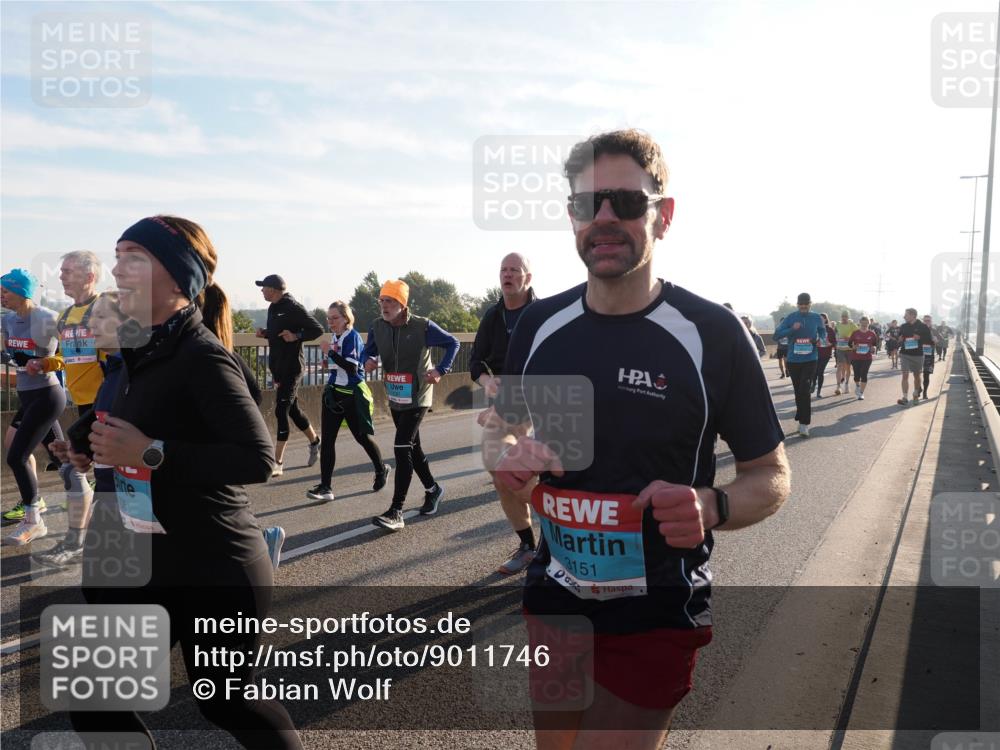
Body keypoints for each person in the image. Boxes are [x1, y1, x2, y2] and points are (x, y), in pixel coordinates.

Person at [484, 129, 790, 750]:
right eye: (585, 204)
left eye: (624, 203)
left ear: (663, 215)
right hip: (556, 596)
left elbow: (771, 474)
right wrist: (512, 461)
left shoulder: (712, 332)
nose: (603, 219)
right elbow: (504, 434)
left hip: (656, 609)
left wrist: (713, 505)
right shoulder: (541, 325)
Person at [66, 215, 302, 748]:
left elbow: (256, 458)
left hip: (210, 563)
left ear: (175, 279)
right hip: (138, 557)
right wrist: (85, 445)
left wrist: (149, 453)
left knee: (225, 700)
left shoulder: (202, 357)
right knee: (95, 704)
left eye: (133, 258)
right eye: (117, 255)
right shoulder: (133, 354)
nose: (117, 270)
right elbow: (120, 419)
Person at [361, 279, 459, 531]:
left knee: (401, 446)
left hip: (419, 394)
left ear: (402, 304)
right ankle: (433, 489)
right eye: (382, 300)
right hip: (396, 394)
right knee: (413, 448)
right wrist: (368, 359)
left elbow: (453, 343)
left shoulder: (422, 326)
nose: (384, 306)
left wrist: (440, 370)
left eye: (390, 301)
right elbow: (368, 351)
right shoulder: (377, 327)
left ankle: (396, 511)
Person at [27, 252, 106, 567]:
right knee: (94, 474)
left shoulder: (104, 311)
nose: (61, 276)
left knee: (76, 471)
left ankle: (76, 542)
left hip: (105, 405)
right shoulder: (66, 316)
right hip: (82, 403)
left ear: (89, 276)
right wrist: (47, 362)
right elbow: (70, 357)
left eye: (67, 271)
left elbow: (118, 359)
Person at [470, 253, 539, 574]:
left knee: (551, 472)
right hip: (509, 405)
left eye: (514, 270)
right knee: (500, 469)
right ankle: (529, 545)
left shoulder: (541, 315)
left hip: (547, 401)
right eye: (503, 270)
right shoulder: (493, 316)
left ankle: (561, 526)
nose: (507, 275)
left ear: (528, 277)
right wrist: (488, 382)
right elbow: (475, 362)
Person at [1, 269, 66, 544]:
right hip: (28, 397)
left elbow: (67, 354)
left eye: (5, 290)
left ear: (22, 292)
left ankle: (33, 519)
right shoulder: (9, 320)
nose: (1, 295)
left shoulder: (45, 318)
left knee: (16, 456)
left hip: (47, 395)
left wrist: (44, 363)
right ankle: (85, 494)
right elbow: (8, 353)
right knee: (61, 457)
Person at [306, 300, 388, 502]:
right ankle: (326, 487)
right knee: (327, 442)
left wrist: (330, 353)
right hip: (334, 393)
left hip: (352, 395)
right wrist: (328, 362)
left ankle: (381, 468)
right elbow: (339, 365)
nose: (330, 322)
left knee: (362, 437)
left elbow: (352, 368)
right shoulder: (335, 336)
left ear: (346, 318)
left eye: (335, 318)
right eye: (328, 318)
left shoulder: (353, 337)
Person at [254, 274, 323, 477]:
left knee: (281, 409)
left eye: (264, 287)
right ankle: (315, 441)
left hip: (293, 368)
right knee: (293, 410)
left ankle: (278, 462)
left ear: (274, 289)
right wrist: (265, 333)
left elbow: (317, 329)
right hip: (278, 368)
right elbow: (278, 332)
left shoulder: (293, 307)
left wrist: (297, 336)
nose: (261, 290)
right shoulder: (273, 308)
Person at [774, 293, 826, 437]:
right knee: (798, 391)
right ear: (797, 304)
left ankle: (804, 424)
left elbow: (823, 332)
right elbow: (776, 335)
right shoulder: (791, 317)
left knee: (804, 388)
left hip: (811, 359)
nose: (803, 306)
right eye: (800, 304)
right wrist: (792, 329)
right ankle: (800, 415)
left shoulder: (816, 318)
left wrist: (819, 339)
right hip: (793, 360)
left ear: (810, 304)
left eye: (806, 304)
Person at [896, 307, 933, 406]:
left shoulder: (922, 326)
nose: (904, 316)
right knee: (905, 375)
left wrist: (920, 338)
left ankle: (916, 394)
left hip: (917, 355)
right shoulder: (903, 326)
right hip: (905, 354)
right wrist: (899, 339)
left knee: (917, 376)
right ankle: (904, 397)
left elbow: (929, 340)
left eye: (906, 315)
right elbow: (899, 338)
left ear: (913, 316)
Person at [848, 316, 878, 400]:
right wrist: (853, 346)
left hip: (867, 358)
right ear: (860, 323)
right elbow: (850, 343)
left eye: (866, 323)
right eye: (862, 323)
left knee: (864, 374)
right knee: (856, 376)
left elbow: (875, 344)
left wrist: (874, 348)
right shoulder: (855, 333)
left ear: (869, 324)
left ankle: (861, 393)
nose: (864, 325)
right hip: (855, 357)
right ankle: (857, 385)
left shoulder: (872, 334)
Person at [833, 311, 858, 395]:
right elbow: (835, 333)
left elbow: (858, 334)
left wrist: (850, 338)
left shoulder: (852, 325)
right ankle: (838, 386)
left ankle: (847, 384)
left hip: (849, 349)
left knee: (848, 367)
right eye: (842, 316)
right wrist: (836, 339)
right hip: (840, 349)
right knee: (839, 366)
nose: (844, 318)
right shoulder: (838, 324)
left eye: (845, 316)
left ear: (848, 317)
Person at [920, 314, 938, 400]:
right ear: (923, 321)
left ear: (931, 322)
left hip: (929, 355)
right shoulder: (918, 330)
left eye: (928, 320)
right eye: (925, 320)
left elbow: (940, 339)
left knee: (926, 375)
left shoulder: (934, 330)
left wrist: (936, 340)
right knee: (917, 374)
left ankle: (925, 392)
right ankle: (919, 388)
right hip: (918, 354)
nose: (927, 322)